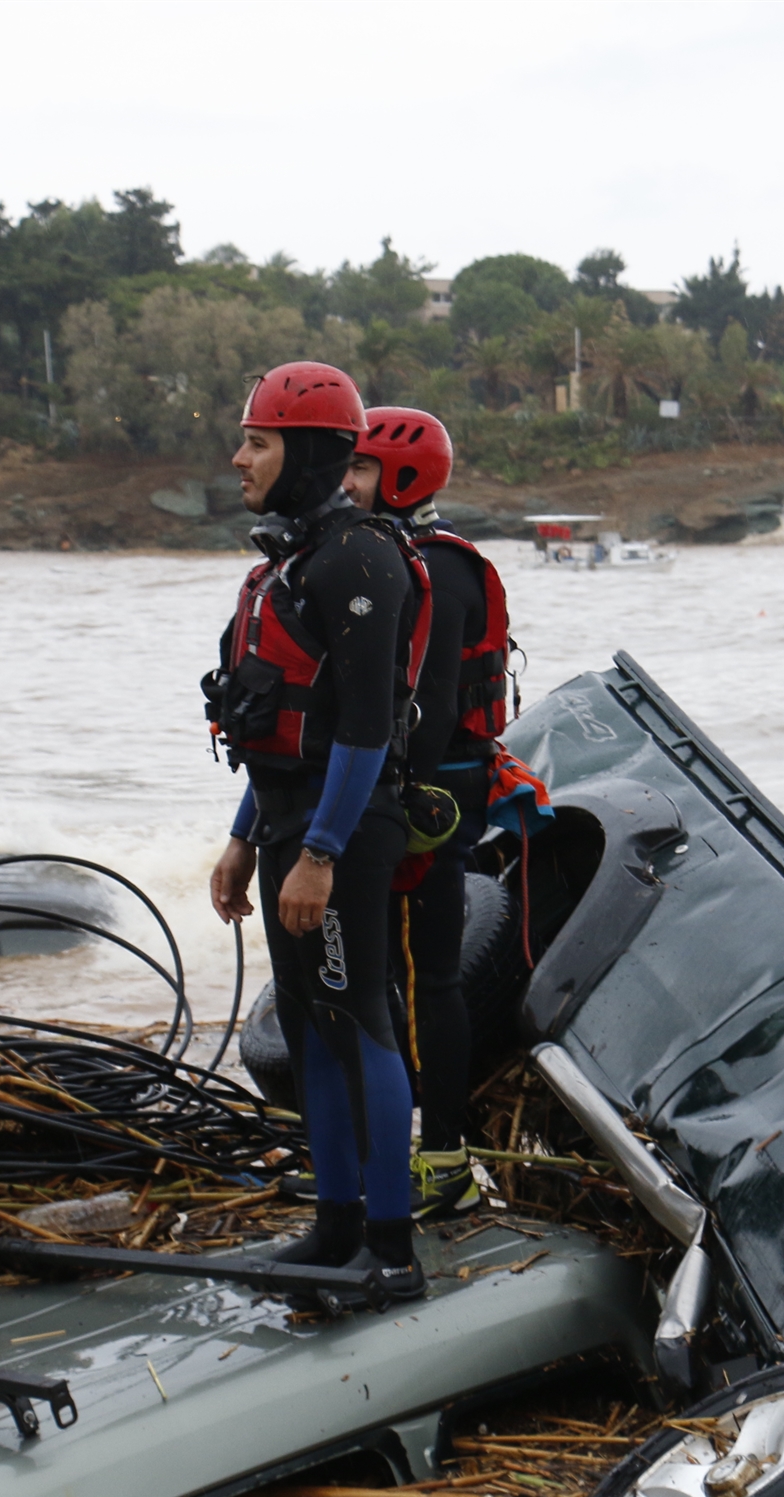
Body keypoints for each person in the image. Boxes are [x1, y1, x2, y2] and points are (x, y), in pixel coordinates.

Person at [205, 362, 432, 1301]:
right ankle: (336, 1225)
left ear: (304, 452)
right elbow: (277, 733)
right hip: (291, 825)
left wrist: (322, 853)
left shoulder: (360, 560)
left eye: (256, 442)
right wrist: (244, 837)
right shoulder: (289, 563)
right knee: (306, 1019)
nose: (239, 458)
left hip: (347, 829)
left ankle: (393, 1248)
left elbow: (367, 728)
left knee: (357, 1017)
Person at [343, 406, 512, 1220]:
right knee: (390, 976)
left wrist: (389, 803)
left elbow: (433, 704)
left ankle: (444, 1161)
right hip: (416, 788)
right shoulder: (398, 553)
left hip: (432, 797)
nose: (347, 482)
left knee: (427, 977)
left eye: (360, 469)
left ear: (403, 478)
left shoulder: (437, 566)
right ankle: (394, 1150)